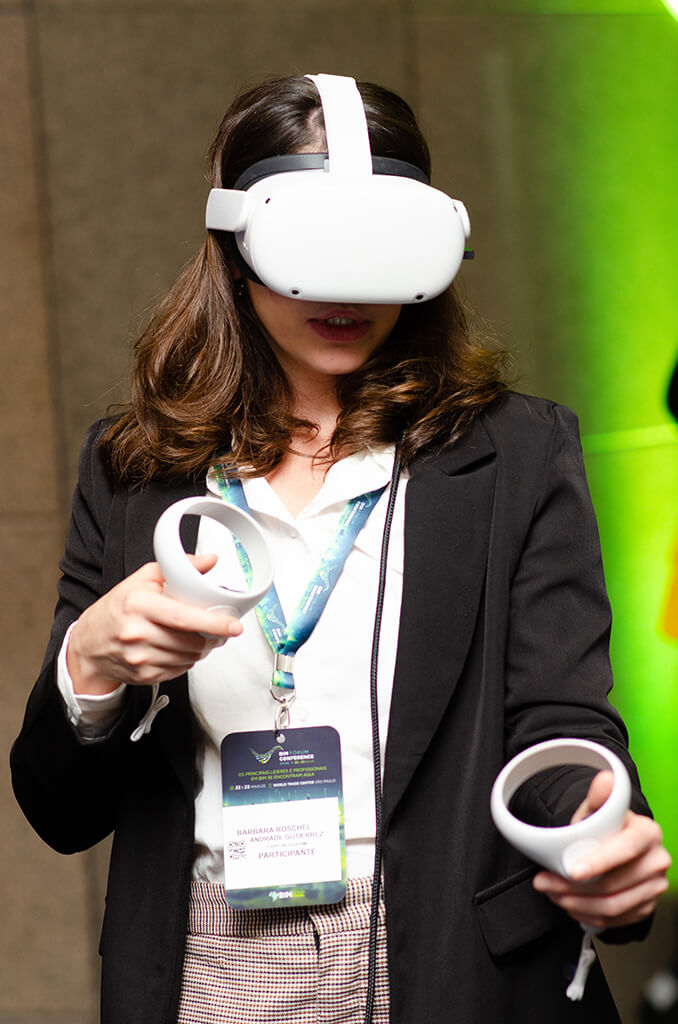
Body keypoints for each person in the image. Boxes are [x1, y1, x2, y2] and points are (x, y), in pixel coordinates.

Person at [10, 73, 671, 1024]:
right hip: (211, 969)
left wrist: (596, 824)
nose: (346, 289)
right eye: (312, 247)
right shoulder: (132, 469)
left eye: (379, 247)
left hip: (454, 965)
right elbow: (59, 809)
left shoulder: (518, 455)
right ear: (235, 243)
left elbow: (559, 719)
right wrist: (93, 665)